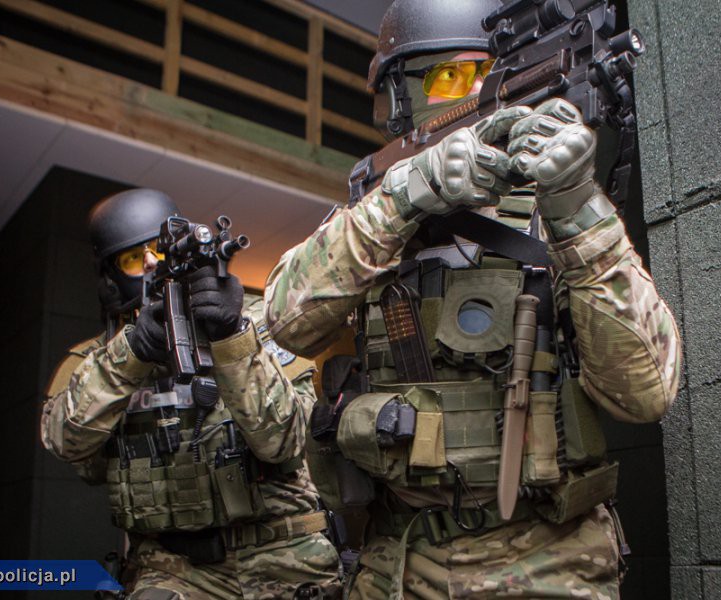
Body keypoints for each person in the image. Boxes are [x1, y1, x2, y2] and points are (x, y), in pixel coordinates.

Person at [264, 0, 682, 598]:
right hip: (395, 564)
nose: (479, 93)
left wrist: (576, 207)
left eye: (488, 74)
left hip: (545, 563)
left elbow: (645, 394)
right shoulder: (373, 225)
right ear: (398, 100)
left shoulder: (553, 217)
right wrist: (404, 196)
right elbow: (286, 321)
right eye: (451, 77)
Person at [41, 189, 341, 599]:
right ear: (111, 278)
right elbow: (65, 442)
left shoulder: (254, 322)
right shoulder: (98, 359)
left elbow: (285, 441)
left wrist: (231, 337)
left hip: (286, 555)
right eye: (133, 258)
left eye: (159, 249)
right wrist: (132, 353)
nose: (151, 263)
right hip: (172, 568)